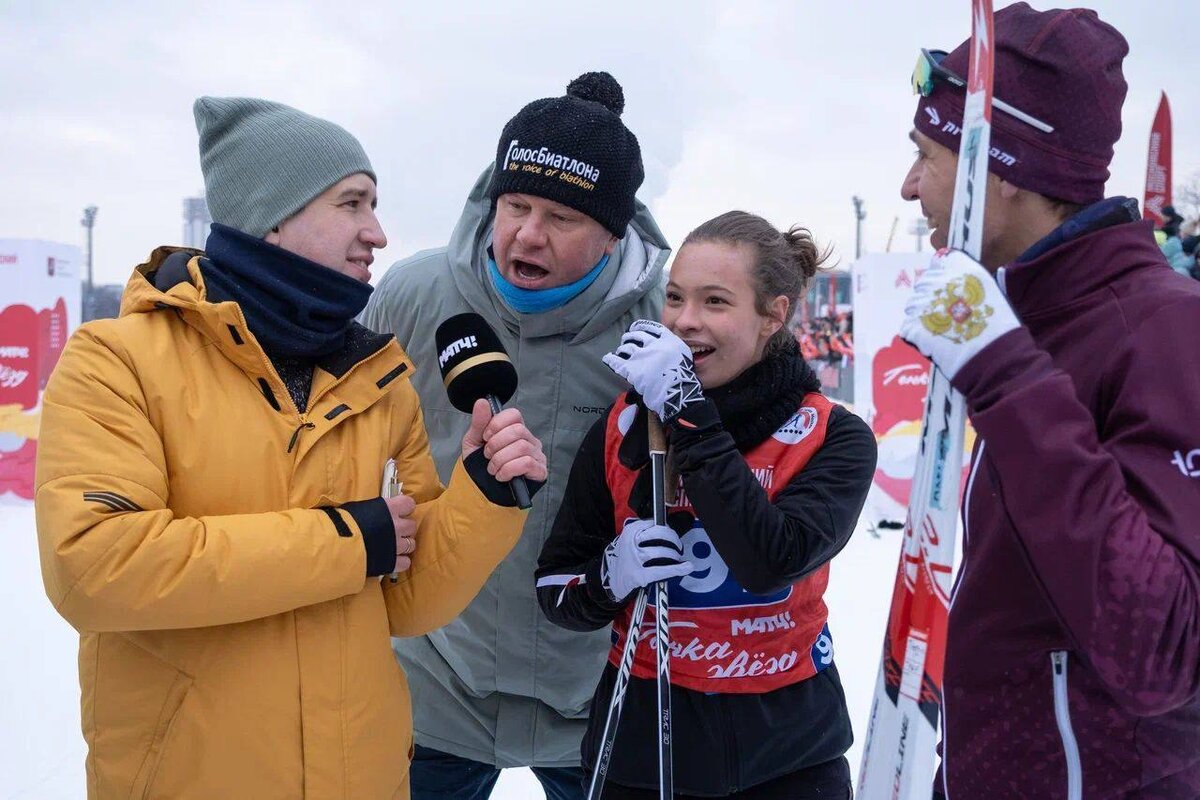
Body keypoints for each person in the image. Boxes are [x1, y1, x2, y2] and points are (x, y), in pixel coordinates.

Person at [34, 97, 547, 799]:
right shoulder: (118, 361)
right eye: (353, 203)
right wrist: (346, 542)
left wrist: (481, 498)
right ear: (272, 216)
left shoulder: (378, 381)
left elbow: (406, 600)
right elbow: (95, 567)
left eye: (374, 206)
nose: (377, 233)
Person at [899, 4, 1200, 797]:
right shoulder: (1035, 315)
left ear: (1001, 172)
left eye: (925, 156)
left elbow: (1163, 650)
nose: (908, 186)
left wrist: (1007, 376)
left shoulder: (1166, 329)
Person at [359, 72, 668, 798]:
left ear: (612, 233)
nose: (528, 234)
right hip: (435, 682)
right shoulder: (415, 295)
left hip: (597, 694)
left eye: (561, 216)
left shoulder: (661, 320)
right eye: (516, 205)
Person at [536, 211, 877, 799]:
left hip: (789, 758)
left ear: (773, 314)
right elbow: (554, 587)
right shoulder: (624, 428)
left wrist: (686, 409)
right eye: (674, 298)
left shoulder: (832, 435)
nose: (685, 321)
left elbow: (770, 560)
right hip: (642, 754)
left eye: (715, 301)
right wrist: (608, 577)